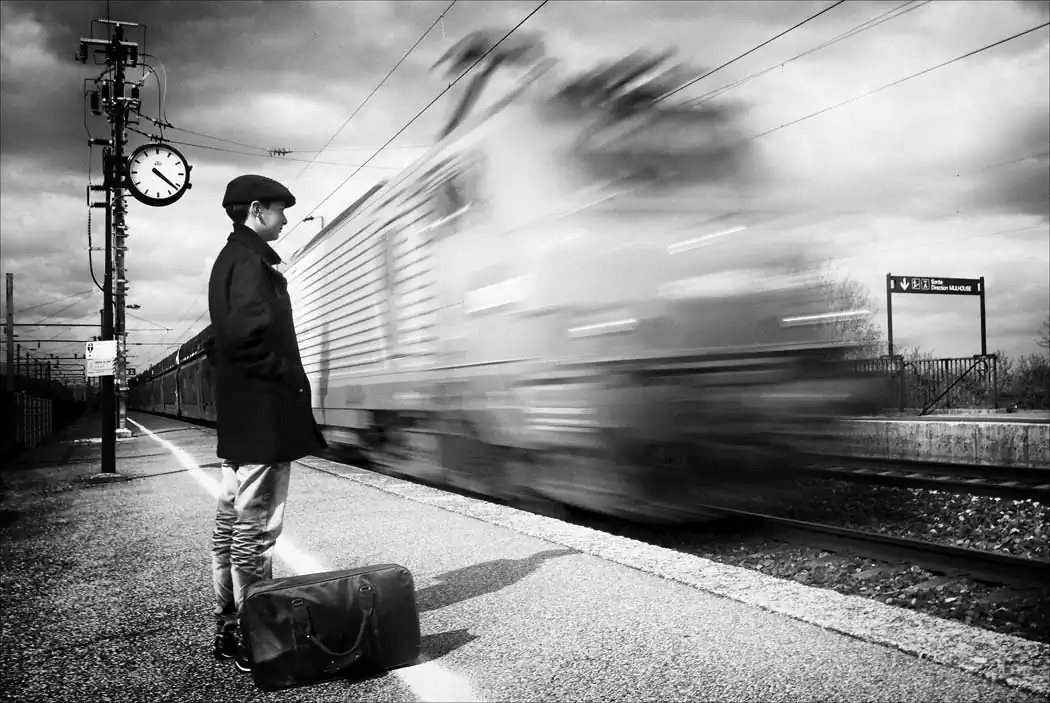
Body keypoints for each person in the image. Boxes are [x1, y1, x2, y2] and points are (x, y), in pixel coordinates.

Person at [206, 174, 326, 672]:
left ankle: (229, 624)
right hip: (263, 417)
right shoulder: (252, 263)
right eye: (279, 209)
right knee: (256, 530)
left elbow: (224, 341)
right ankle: (256, 637)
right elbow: (247, 339)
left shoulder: (230, 259)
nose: (285, 219)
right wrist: (288, 378)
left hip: (242, 418)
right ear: (257, 210)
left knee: (230, 524)